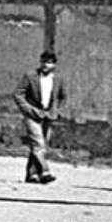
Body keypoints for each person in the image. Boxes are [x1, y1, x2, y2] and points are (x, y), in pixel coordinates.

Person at [12, 50, 67, 184]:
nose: (45, 65)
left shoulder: (59, 79)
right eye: (43, 62)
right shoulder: (30, 76)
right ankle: (45, 171)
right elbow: (17, 94)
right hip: (32, 116)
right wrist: (28, 109)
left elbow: (63, 97)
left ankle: (32, 175)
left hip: (48, 116)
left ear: (54, 64)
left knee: (39, 146)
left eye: (49, 62)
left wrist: (57, 111)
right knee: (38, 144)